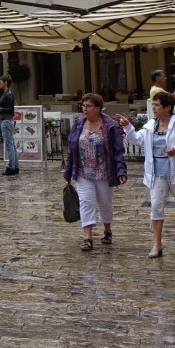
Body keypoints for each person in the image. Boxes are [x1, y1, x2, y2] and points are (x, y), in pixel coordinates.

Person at [116, 92, 175, 256]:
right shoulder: (151, 124)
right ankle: (157, 244)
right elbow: (137, 140)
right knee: (156, 207)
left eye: (157, 105)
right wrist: (127, 126)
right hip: (156, 172)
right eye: (152, 105)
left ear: (167, 108)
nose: (153, 108)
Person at [63, 93, 128, 250]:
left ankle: (107, 229)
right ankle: (87, 237)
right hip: (83, 171)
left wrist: (121, 170)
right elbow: (71, 148)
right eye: (83, 106)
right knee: (86, 202)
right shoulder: (78, 123)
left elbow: (118, 150)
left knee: (105, 203)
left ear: (98, 108)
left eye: (89, 106)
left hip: (104, 172)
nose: (85, 109)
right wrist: (68, 170)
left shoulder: (109, 125)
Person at [0, 73, 18, 176]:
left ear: (5, 83)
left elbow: (11, 109)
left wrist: (0, 109)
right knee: (12, 144)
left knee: (9, 145)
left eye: (0, 82)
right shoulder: (6, 94)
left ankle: (11, 167)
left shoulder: (8, 94)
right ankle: (15, 166)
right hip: (6, 120)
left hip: (6, 121)